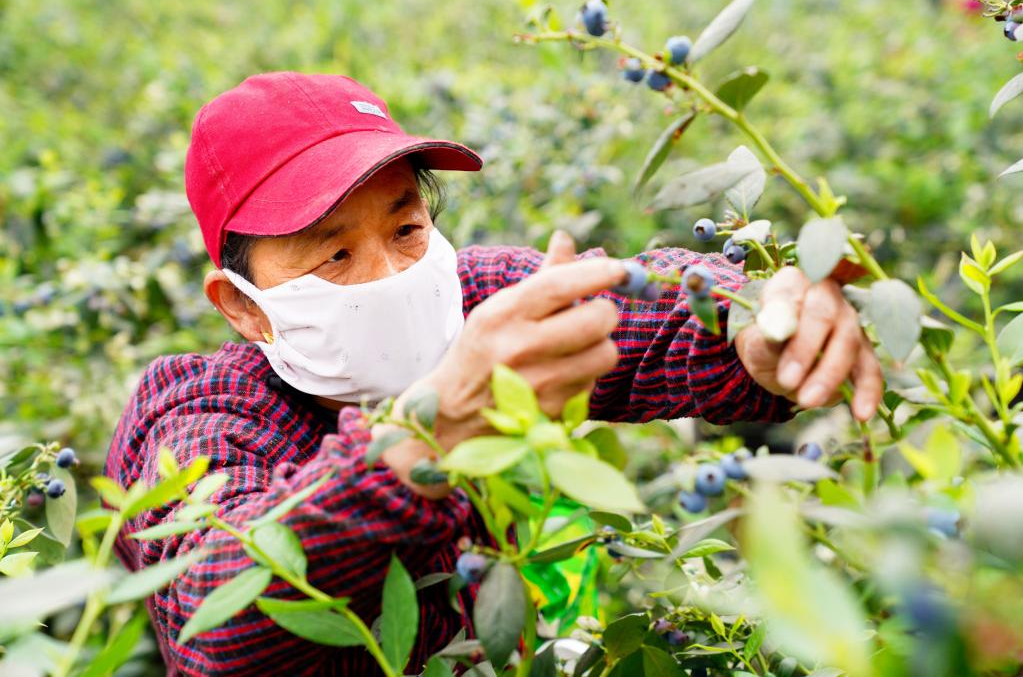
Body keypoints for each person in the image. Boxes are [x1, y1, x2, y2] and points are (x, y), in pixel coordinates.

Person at [105, 72, 882, 675]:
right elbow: (218, 614)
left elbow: (640, 303)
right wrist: (427, 435)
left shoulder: (471, 302)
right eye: (334, 254)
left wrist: (748, 322)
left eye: (406, 227)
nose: (389, 275)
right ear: (241, 307)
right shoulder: (198, 416)